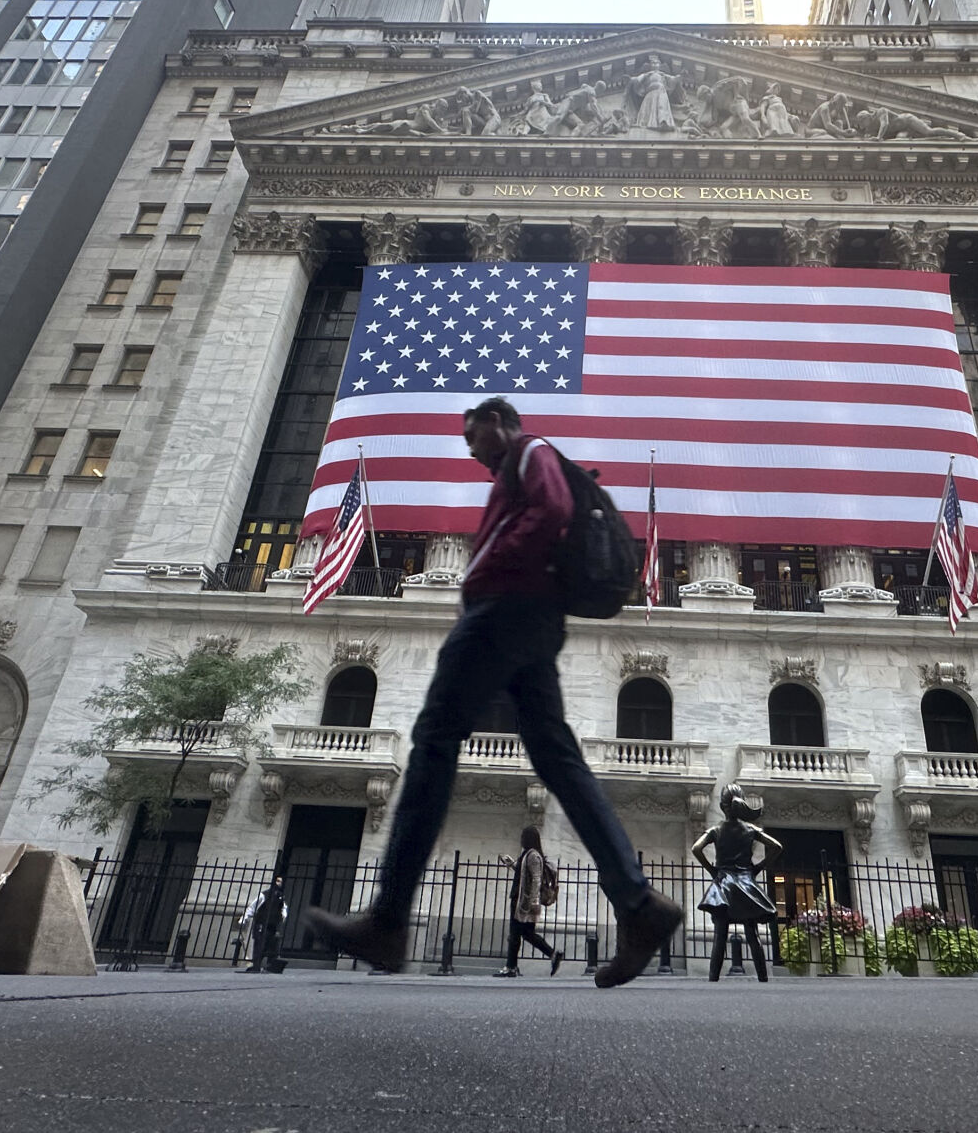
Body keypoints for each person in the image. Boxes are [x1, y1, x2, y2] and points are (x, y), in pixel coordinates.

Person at [306, 397, 682, 987]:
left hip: (505, 610)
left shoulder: (530, 452)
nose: (469, 445)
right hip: (529, 617)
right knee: (557, 758)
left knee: (433, 740)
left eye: (474, 432)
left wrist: (494, 570)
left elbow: (555, 508)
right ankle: (639, 906)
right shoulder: (512, 471)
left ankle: (389, 917)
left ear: (501, 424)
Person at [692, 785, 783, 982]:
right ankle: (763, 977)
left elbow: (696, 848)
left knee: (720, 936)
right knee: (752, 935)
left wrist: (712, 870)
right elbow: (776, 846)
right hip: (746, 885)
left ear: (722, 806)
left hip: (724, 885)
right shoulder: (750, 829)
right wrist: (758, 868)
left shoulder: (716, 830)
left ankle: (713, 978)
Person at [495, 825, 565, 977]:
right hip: (524, 900)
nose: (521, 840)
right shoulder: (528, 854)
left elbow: (536, 880)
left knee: (515, 934)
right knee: (527, 934)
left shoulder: (533, 856)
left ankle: (511, 967)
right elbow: (524, 875)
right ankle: (553, 954)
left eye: (523, 837)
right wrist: (511, 864)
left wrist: (528, 904)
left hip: (523, 902)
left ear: (528, 839)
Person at [241, 871, 288, 974]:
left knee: (271, 945)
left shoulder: (280, 896)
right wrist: (244, 918)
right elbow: (252, 907)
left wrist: (283, 916)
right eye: (277, 881)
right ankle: (256, 966)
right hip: (261, 923)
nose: (279, 883)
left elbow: (284, 908)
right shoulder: (264, 895)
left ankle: (269, 966)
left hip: (272, 924)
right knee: (259, 945)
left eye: (281, 881)